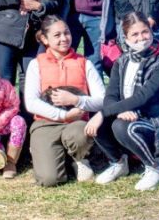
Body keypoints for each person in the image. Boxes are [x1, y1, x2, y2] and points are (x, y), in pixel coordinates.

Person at [85, 12, 159, 191]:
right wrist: (115, 111)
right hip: (128, 114)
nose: (141, 38)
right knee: (99, 122)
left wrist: (105, 112)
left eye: (145, 32)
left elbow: (144, 96)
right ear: (126, 37)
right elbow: (111, 96)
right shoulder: (121, 61)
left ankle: (156, 168)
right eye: (134, 34)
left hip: (155, 118)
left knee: (119, 125)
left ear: (151, 31)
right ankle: (118, 162)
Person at [23, 15, 106, 186]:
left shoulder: (84, 63)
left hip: (77, 122)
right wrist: (62, 116)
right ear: (45, 39)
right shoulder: (36, 64)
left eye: (66, 33)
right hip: (46, 124)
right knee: (49, 179)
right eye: (57, 35)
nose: (64, 39)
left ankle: (80, 159)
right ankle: (53, 155)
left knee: (78, 134)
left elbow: (102, 100)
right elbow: (31, 102)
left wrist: (77, 100)